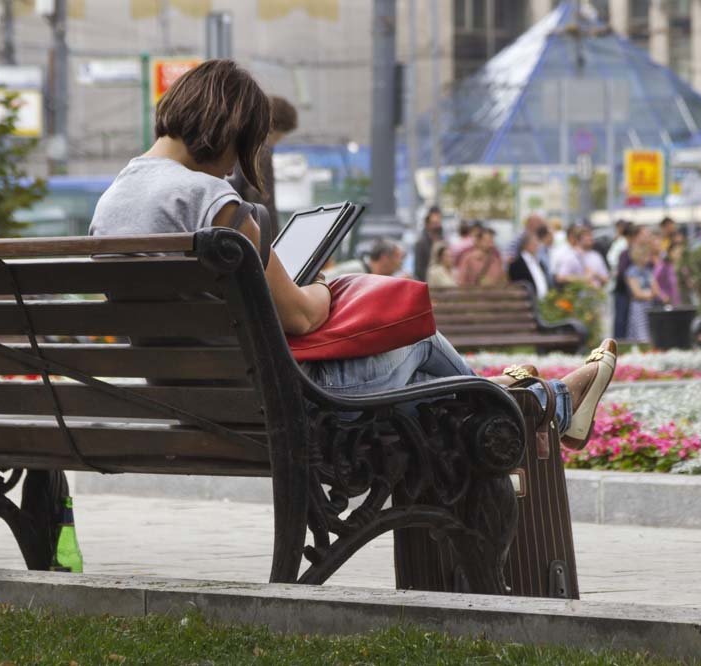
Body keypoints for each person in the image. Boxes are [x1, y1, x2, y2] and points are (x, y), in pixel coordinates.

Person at [88, 58, 618, 448]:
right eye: (242, 148)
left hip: (187, 402)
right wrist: (319, 288)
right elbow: (298, 317)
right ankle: (543, 403)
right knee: (416, 334)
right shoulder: (209, 199)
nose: (232, 168)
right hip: (281, 404)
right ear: (227, 129)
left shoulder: (111, 202)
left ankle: (545, 401)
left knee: (425, 386)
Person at [228, 95, 298, 229]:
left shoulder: (238, 142)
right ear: (275, 128)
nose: (280, 140)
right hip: (248, 232)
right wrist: (273, 242)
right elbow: (263, 201)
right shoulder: (261, 150)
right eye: (282, 134)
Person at [625, 242, 668, 342]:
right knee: (640, 333)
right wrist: (650, 294)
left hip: (649, 305)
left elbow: (655, 288)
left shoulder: (648, 270)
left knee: (650, 331)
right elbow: (636, 293)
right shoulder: (632, 271)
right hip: (638, 306)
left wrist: (662, 296)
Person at [326, 238, 405, 278]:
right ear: (384, 258)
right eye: (398, 257)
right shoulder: (354, 269)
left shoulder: (369, 274)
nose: (401, 262)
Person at [507, 232, 550, 299]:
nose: (537, 246)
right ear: (526, 245)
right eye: (535, 243)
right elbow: (518, 287)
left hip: (543, 303)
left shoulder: (539, 263)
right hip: (527, 305)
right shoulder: (516, 265)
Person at [413, 206, 443, 281]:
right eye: (434, 223)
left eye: (438, 222)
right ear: (428, 224)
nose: (437, 226)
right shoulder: (421, 243)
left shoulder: (442, 241)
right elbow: (419, 270)